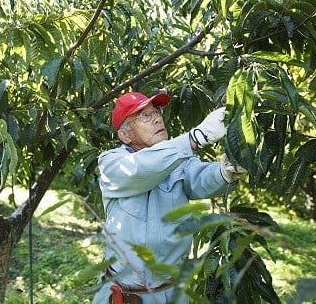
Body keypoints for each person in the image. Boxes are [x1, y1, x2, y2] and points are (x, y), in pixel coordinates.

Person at [92, 91, 247, 304]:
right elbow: (140, 170)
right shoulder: (112, 162)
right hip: (123, 294)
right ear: (125, 135)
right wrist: (195, 138)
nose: (157, 118)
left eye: (156, 112)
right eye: (144, 116)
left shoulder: (177, 161)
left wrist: (224, 172)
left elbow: (200, 179)